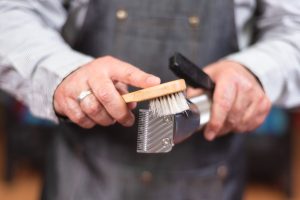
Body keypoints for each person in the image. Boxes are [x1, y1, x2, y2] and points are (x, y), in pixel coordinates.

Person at [0, 0, 300, 199]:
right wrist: (64, 72)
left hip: (210, 181)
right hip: (81, 178)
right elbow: (12, 15)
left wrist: (255, 72)